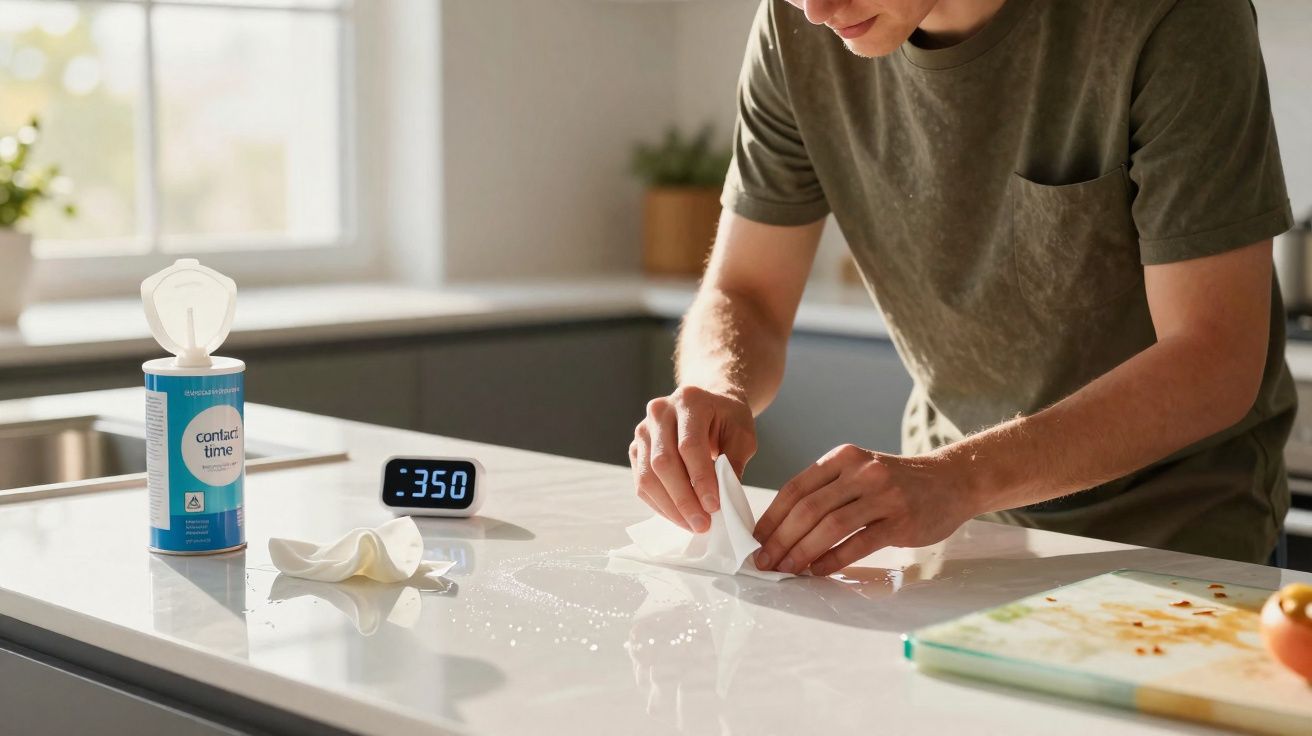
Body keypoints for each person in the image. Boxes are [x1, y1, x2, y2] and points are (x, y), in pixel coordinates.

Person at [629, 0, 1296, 572]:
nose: (817, 10)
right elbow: (747, 291)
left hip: (1178, 544)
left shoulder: (1172, 15)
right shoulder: (793, 26)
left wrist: (956, 479)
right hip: (954, 536)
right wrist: (715, 390)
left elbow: (1214, 358)